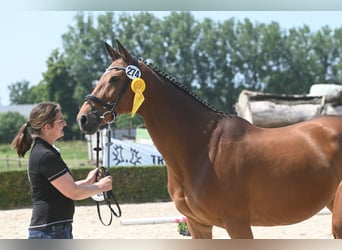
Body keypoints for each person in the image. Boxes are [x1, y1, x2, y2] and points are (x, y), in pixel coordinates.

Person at [11, 102, 112, 239]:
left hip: (51, 229)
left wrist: (88, 182)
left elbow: (64, 188)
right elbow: (74, 192)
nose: (65, 124)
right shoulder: (46, 155)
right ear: (47, 127)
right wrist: (100, 186)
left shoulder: (44, 152)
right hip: (50, 231)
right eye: (61, 121)